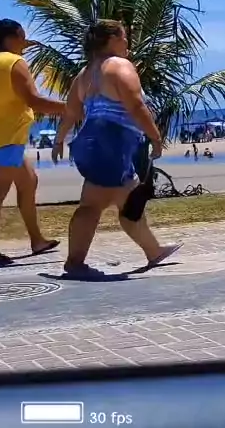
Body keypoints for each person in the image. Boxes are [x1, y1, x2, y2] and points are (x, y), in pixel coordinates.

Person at [51, 19, 181, 280]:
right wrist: (155, 137)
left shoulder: (85, 74)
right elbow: (136, 105)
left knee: (119, 201)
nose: (127, 43)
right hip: (113, 143)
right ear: (111, 39)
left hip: (91, 142)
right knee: (101, 205)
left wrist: (59, 140)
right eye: (123, 37)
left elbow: (71, 112)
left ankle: (154, 251)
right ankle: (75, 262)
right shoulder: (119, 66)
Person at [0, 17, 66, 265]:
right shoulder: (14, 62)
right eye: (22, 37)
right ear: (10, 38)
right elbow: (35, 101)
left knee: (28, 181)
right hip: (8, 137)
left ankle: (37, 240)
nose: (25, 42)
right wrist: (73, 108)